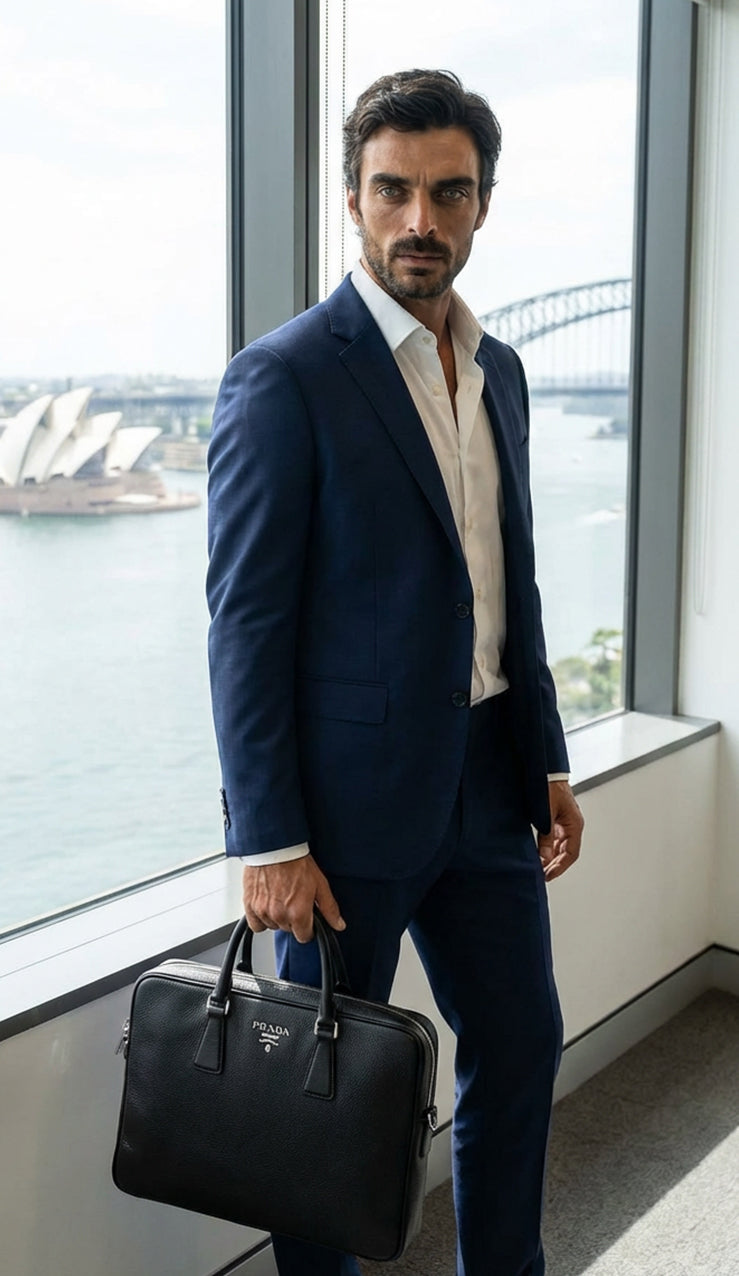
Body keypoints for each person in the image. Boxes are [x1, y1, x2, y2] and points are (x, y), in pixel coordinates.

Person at [207, 68, 583, 1276]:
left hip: (487, 787)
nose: (420, 219)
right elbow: (244, 621)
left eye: (448, 192)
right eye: (394, 191)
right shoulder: (287, 376)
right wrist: (268, 836)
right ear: (354, 201)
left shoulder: (502, 373)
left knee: (520, 1045)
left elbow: (506, 588)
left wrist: (548, 753)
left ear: (481, 205)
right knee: (314, 1100)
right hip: (339, 818)